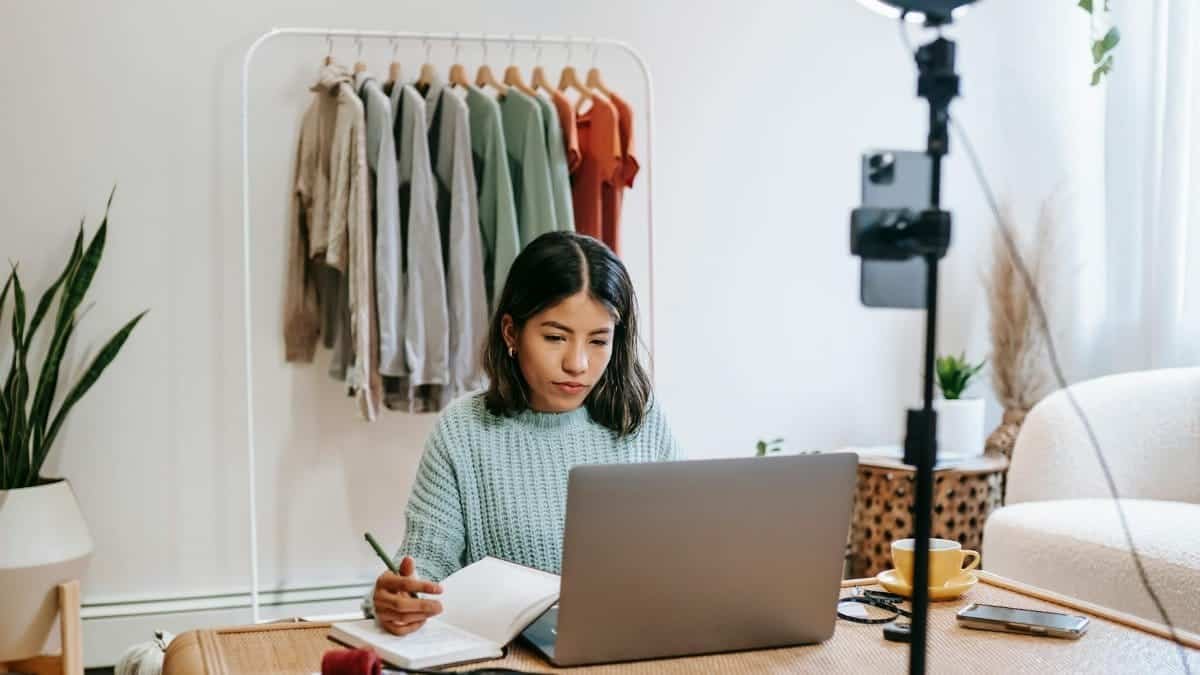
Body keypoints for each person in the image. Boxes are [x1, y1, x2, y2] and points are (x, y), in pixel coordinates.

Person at [367, 231, 682, 636]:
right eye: (555, 337)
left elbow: (685, 551)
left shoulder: (641, 417)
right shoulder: (463, 431)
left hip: (638, 645)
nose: (578, 363)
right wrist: (398, 598)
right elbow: (423, 567)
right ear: (512, 333)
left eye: (599, 340)